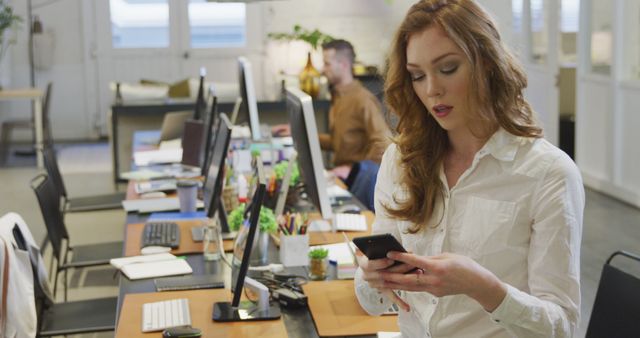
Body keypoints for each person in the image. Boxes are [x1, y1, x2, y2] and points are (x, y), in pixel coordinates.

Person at [354, 1, 584, 337]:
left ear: (488, 64)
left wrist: (485, 288)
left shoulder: (548, 174)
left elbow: (561, 327)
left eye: (448, 69)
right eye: (417, 75)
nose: (431, 89)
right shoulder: (401, 160)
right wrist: (371, 277)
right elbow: (372, 303)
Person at [318, 39, 391, 173]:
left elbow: (383, 143)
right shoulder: (338, 96)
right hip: (339, 173)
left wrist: (352, 171)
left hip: (354, 182)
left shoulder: (363, 99)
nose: (322, 69)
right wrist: (303, 134)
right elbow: (338, 142)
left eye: (327, 64)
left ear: (344, 65)